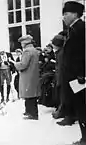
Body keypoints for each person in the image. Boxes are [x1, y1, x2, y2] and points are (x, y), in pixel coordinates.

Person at [62, 1, 85, 144]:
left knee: (82, 107)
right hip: (75, 76)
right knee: (80, 107)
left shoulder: (80, 29)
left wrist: (81, 74)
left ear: (75, 14)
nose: (63, 17)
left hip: (80, 77)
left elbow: (82, 54)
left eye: (66, 14)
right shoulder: (74, 29)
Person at [11, 35, 40, 120]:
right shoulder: (34, 50)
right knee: (31, 94)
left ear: (25, 42)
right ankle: (29, 111)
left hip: (28, 75)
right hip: (33, 74)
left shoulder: (27, 51)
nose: (21, 45)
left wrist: (15, 64)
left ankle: (32, 114)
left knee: (29, 95)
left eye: (21, 43)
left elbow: (23, 64)